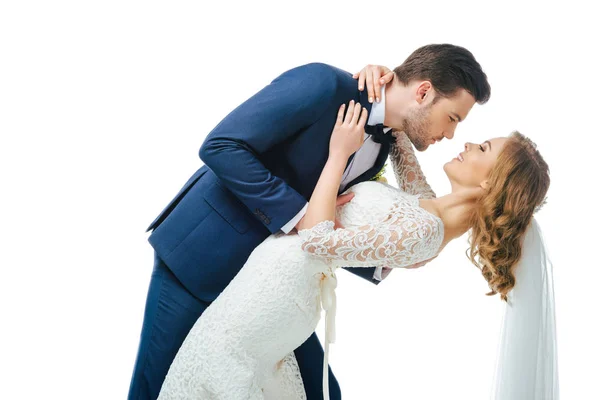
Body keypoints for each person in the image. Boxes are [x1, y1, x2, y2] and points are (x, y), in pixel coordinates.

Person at [129, 44, 491, 400]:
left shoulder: (386, 140)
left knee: (322, 393)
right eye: (453, 118)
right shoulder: (323, 84)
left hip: (268, 286)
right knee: (155, 389)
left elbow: (349, 210)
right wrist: (303, 217)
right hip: (202, 257)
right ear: (424, 92)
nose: (450, 135)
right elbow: (222, 146)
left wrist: (400, 251)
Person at [157, 101, 555, 399]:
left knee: (217, 368)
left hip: (272, 293)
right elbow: (398, 136)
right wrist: (380, 80)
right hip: (273, 284)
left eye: (483, 148)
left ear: (490, 186)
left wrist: (338, 155)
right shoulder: (427, 206)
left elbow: (314, 241)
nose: (467, 142)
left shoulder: (425, 231)